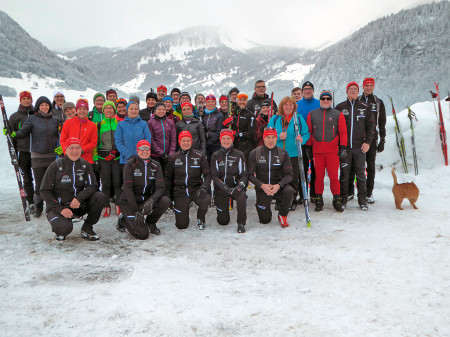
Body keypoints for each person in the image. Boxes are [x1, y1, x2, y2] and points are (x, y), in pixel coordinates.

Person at [40, 137, 105, 241]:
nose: (75, 151)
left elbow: (93, 185)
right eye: (71, 148)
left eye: (77, 148)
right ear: (66, 149)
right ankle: (62, 225)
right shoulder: (56, 166)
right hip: (58, 207)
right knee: (64, 229)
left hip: (77, 205)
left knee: (100, 196)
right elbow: (44, 190)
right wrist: (60, 209)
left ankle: (87, 227)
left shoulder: (84, 164)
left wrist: (79, 198)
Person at [12, 96, 61, 218]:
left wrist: (60, 148)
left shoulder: (55, 120)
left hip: (52, 157)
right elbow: (23, 132)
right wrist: (13, 133)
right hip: (37, 156)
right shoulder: (32, 119)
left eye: (46, 105)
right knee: (39, 184)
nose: (44, 107)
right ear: (38, 107)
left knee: (52, 184)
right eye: (41, 105)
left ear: (50, 106)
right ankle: (38, 207)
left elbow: (61, 136)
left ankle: (51, 207)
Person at [117, 140, 171, 239]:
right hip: (129, 201)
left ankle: (151, 222)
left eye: (147, 148)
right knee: (142, 234)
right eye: (141, 149)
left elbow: (160, 188)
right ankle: (123, 220)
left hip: (145, 199)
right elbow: (128, 189)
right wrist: (135, 210)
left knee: (165, 201)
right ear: (137, 151)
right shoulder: (130, 164)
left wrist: (151, 201)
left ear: (150, 150)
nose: (144, 151)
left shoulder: (156, 165)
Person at [305, 91, 347, 212]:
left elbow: (343, 132)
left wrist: (343, 146)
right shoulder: (312, 114)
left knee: (334, 176)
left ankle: (337, 199)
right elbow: (309, 131)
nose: (325, 100)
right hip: (317, 151)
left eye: (328, 98)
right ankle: (318, 198)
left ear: (331, 100)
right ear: (320, 100)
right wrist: (308, 146)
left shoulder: (337, 114)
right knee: (319, 176)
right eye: (323, 98)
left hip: (332, 151)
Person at [336, 82, 375, 211]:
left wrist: (368, 142)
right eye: (350, 89)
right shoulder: (340, 107)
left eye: (355, 89)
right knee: (344, 174)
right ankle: (343, 199)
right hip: (345, 148)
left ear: (358, 92)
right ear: (347, 92)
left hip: (360, 147)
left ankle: (362, 200)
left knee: (360, 175)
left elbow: (371, 126)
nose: (353, 90)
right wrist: (338, 145)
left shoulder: (365, 106)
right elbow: (334, 128)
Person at [347, 77, 386, 203]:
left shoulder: (378, 102)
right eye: (366, 85)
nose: (368, 88)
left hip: (372, 140)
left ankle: (368, 193)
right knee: (354, 166)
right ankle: (350, 191)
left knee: (370, 167)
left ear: (373, 87)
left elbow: (382, 122)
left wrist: (382, 139)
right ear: (362, 87)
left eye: (371, 85)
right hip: (358, 140)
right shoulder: (357, 100)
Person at [267, 96, 310, 211]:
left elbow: (306, 133)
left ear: (294, 106)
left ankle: (292, 199)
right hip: (278, 153)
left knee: (293, 178)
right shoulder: (276, 119)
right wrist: (278, 137)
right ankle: (279, 199)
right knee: (278, 177)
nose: (288, 107)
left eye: (291, 105)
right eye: (286, 105)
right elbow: (268, 133)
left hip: (294, 153)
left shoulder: (298, 119)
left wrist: (302, 139)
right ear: (282, 106)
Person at [248, 127, 294, 227]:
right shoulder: (255, 153)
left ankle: (283, 215)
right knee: (265, 220)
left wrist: (279, 185)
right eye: (268, 137)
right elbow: (250, 175)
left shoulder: (283, 153)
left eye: (273, 137)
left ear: (276, 138)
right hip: (263, 187)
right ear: (264, 138)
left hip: (278, 186)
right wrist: (262, 185)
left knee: (289, 190)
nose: (270, 140)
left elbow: (290, 174)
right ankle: (261, 205)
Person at [165, 131, 211, 230]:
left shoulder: (200, 156)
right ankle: (183, 213)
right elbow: (168, 178)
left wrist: (204, 187)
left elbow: (207, 174)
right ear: (179, 142)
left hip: (195, 189)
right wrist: (169, 196)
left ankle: (200, 217)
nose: (186, 143)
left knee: (205, 199)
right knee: (181, 225)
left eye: (188, 140)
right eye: (183, 140)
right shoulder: (173, 157)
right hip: (180, 191)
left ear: (192, 141)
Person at [210, 129, 248, 233]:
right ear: (220, 139)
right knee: (223, 221)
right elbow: (214, 176)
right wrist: (224, 188)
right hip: (222, 189)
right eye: (224, 138)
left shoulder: (239, 154)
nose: (226, 141)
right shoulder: (215, 155)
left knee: (242, 197)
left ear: (232, 140)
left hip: (236, 187)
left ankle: (241, 223)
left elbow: (244, 174)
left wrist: (239, 186)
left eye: (228, 138)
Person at [8, 91, 35, 211]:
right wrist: (13, 155)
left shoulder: (37, 114)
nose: (26, 101)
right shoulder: (15, 117)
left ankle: (41, 200)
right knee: (27, 178)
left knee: (41, 178)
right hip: (23, 151)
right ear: (20, 100)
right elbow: (11, 137)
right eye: (24, 99)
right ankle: (31, 201)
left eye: (28, 99)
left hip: (37, 151)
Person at [296, 81, 320, 203]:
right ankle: (302, 194)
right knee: (302, 169)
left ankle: (314, 194)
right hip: (302, 141)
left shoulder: (319, 103)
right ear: (302, 91)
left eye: (309, 88)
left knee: (315, 169)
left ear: (313, 90)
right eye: (305, 89)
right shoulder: (297, 105)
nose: (307, 91)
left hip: (316, 141)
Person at [97, 101, 121, 217]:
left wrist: (116, 152)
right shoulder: (99, 125)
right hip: (103, 158)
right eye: (106, 108)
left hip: (117, 157)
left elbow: (122, 141)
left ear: (114, 110)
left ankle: (118, 205)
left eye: (111, 108)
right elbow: (96, 143)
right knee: (105, 183)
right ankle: (106, 206)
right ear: (103, 110)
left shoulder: (119, 124)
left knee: (117, 182)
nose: (108, 110)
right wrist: (96, 158)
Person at [60, 99, 98, 165]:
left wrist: (82, 150)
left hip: (86, 160)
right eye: (80, 109)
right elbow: (63, 140)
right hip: (70, 159)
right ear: (76, 110)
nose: (82, 111)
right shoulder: (68, 123)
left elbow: (93, 142)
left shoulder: (92, 125)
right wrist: (67, 152)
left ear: (88, 110)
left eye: (85, 109)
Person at [115, 101, 152, 168]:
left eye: (136, 109)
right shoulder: (121, 125)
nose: (133, 111)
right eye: (131, 109)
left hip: (142, 158)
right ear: (127, 110)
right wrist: (129, 155)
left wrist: (142, 153)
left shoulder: (143, 124)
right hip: (126, 160)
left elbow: (148, 139)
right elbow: (118, 142)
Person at [223, 93, 255, 160]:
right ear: (237, 101)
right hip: (233, 145)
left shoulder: (250, 115)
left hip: (246, 146)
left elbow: (251, 133)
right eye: (240, 100)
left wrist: (238, 134)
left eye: (244, 100)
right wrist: (225, 125)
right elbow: (226, 130)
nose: (242, 102)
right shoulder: (233, 113)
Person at [147, 102, 177, 172]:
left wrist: (171, 153)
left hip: (168, 155)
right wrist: (161, 153)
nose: (161, 111)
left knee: (167, 175)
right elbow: (151, 139)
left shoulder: (170, 122)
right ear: (155, 111)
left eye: (163, 109)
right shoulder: (150, 122)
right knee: (157, 174)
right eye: (159, 109)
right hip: (155, 155)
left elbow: (173, 139)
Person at [202, 94, 224, 164]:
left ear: (215, 103)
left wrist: (209, 142)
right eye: (208, 102)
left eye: (212, 101)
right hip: (206, 144)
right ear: (206, 103)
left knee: (215, 163)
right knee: (207, 164)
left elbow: (218, 131)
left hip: (216, 144)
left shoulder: (219, 115)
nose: (210, 103)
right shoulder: (203, 114)